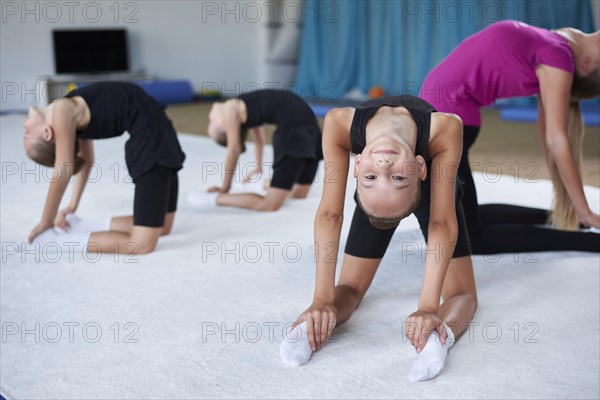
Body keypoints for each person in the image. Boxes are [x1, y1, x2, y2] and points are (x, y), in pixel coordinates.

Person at [279, 95, 478, 382]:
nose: (384, 165)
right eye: (372, 175)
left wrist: (428, 307)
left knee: (462, 294)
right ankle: (310, 327)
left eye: (396, 177)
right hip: (376, 202)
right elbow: (330, 214)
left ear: (421, 167)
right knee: (348, 287)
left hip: (433, 190)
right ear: (356, 167)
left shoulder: (445, 128)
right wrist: (321, 299)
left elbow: (441, 221)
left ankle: (438, 337)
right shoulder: (339, 127)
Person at [420, 20, 600, 254]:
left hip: (440, 116)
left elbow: (548, 135)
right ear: (587, 65)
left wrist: (577, 207)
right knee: (467, 234)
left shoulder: (558, 41)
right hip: (446, 120)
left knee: (464, 221)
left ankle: (574, 225)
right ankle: (585, 234)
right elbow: (555, 139)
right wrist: (584, 210)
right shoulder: (559, 53)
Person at [23, 82, 185, 254]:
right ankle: (54, 242)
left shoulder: (64, 107)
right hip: (151, 141)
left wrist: (71, 206)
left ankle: (80, 225)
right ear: (46, 133)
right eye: (26, 134)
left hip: (160, 132)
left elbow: (85, 162)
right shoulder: (62, 110)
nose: (23, 125)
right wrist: (46, 220)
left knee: (164, 225)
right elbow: (66, 167)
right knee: (141, 244)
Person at [197, 89, 322, 211]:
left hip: (301, 126)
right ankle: (269, 184)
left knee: (270, 204)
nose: (210, 119)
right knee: (298, 193)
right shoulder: (237, 109)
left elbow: (234, 149)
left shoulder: (233, 106)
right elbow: (257, 141)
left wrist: (225, 188)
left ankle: (217, 198)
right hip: (307, 124)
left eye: (210, 122)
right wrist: (258, 167)